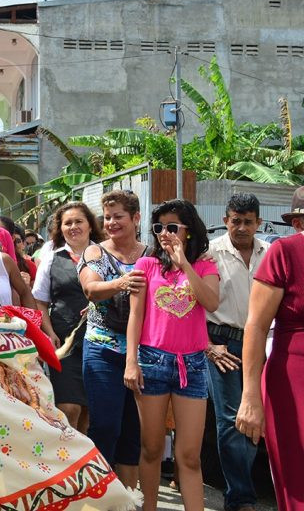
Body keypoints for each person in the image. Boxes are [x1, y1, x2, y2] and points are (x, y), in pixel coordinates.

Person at [124, 199, 219, 511]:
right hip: (152, 361)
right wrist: (131, 361)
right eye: (159, 227)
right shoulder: (146, 265)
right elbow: (136, 316)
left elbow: (211, 302)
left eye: (172, 227)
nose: (164, 233)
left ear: (188, 231)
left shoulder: (205, 266)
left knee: (189, 456)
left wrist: (184, 265)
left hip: (192, 365)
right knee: (151, 449)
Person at [236, 186, 304, 511]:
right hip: (293, 383)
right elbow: (256, 326)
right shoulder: (285, 253)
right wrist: (250, 398)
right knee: (298, 482)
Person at [77, 189, 147, 489]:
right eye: (107, 217)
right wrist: (122, 282)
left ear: (136, 218)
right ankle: (100, 496)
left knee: (134, 433)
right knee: (106, 427)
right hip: (102, 349)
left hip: (143, 354)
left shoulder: (151, 255)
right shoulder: (95, 253)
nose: (111, 223)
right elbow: (91, 289)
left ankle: (130, 500)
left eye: (118, 216)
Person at [205, 193, 269, 511]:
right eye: (236, 221)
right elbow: (190, 302)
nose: (241, 227)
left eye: (248, 221)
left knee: (257, 419)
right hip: (222, 344)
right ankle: (240, 498)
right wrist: (208, 346)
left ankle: (246, 491)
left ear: (259, 223)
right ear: (226, 220)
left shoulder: (270, 253)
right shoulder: (209, 252)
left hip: (263, 345)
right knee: (231, 421)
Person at [32, 201, 104, 433]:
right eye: (68, 223)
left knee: (91, 410)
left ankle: (86, 453)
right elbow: (40, 301)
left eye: (78, 221)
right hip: (64, 342)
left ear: (90, 225)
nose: (73, 227)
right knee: (68, 407)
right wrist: (49, 332)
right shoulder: (52, 259)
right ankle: (68, 450)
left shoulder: (105, 255)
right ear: (60, 229)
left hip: (100, 341)